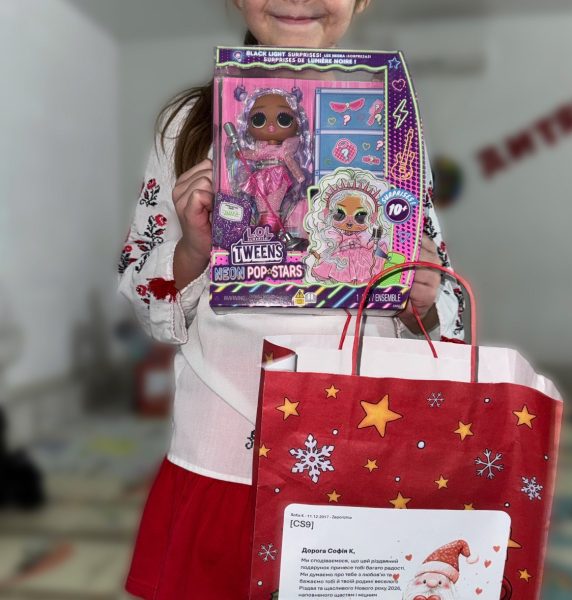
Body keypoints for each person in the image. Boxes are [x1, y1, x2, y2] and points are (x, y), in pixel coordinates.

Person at [118, 1, 464, 598]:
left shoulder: (393, 121)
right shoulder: (188, 125)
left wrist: (424, 293)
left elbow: (439, 303)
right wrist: (194, 250)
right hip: (226, 448)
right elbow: (147, 294)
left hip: (362, 447)